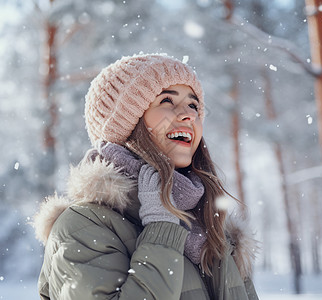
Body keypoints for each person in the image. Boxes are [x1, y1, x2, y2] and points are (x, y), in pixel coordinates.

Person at [33, 53, 259, 299]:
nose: (189, 115)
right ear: (125, 125)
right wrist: (161, 228)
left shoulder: (213, 228)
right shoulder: (81, 226)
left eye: (193, 105)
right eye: (166, 101)